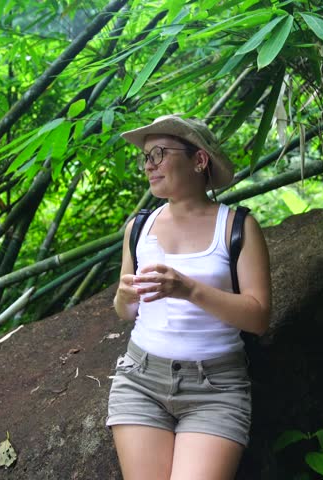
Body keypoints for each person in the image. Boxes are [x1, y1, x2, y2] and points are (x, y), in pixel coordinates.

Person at [107, 114, 272, 480]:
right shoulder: (138, 227)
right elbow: (125, 312)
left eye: (159, 153)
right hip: (141, 379)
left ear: (199, 160)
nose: (149, 165)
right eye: (146, 157)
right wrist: (123, 295)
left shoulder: (237, 226)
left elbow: (258, 317)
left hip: (215, 387)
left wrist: (189, 289)